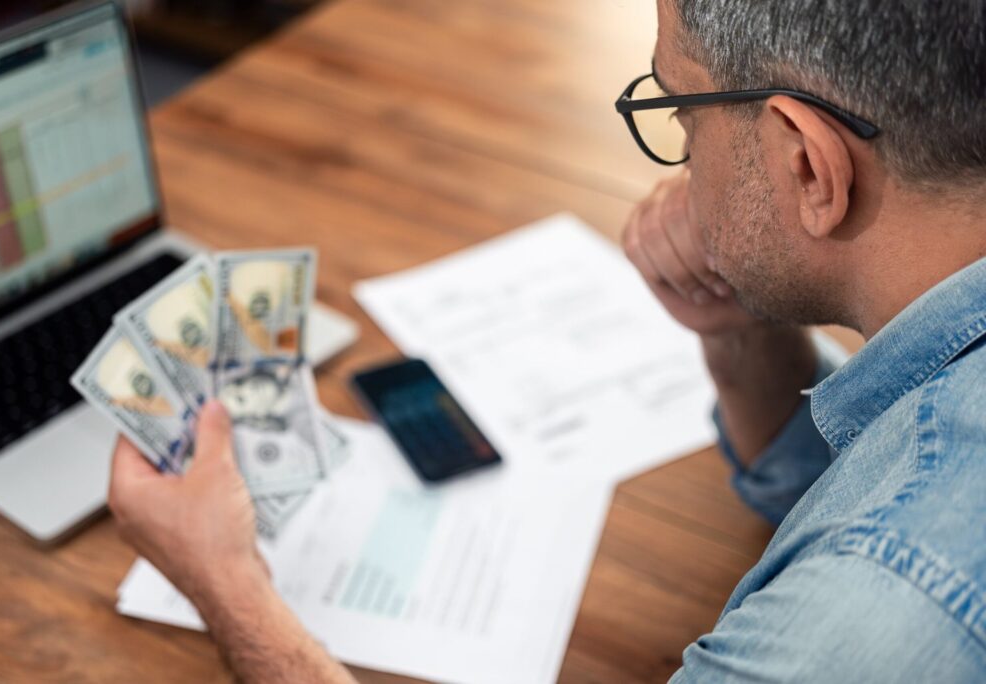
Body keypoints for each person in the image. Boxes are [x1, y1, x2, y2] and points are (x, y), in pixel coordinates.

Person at [109, 0, 986, 681]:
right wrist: (740, 328)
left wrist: (226, 583)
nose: (677, 161)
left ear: (807, 165)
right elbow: (868, 480)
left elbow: (884, 546)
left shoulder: (879, 607)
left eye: (683, 114)